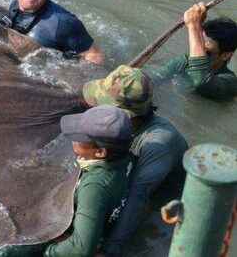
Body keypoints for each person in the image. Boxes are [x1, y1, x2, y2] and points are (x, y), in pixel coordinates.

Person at [0, 105, 132, 257]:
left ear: (100, 152)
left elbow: (82, 248)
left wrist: (49, 252)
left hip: (66, 233)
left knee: (5, 252)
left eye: (79, 139)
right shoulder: (120, 159)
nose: (72, 140)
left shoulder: (94, 186)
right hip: (78, 212)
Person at [81, 65, 189, 257]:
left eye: (103, 104)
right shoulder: (121, 130)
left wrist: (109, 249)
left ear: (126, 115)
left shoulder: (157, 144)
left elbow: (138, 198)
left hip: (167, 205)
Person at [145, 3, 237, 101]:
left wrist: (193, 26)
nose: (197, 54)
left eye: (206, 52)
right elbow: (153, 81)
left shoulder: (230, 82)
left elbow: (202, 83)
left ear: (226, 55)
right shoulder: (184, 62)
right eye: (197, 46)